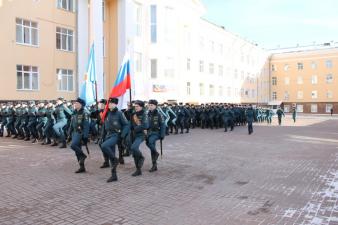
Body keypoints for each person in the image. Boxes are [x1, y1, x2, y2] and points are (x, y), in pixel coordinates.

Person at [100, 97, 129, 182]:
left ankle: (115, 159)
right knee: (111, 155)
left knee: (104, 146)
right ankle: (114, 175)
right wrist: (102, 136)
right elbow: (104, 127)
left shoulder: (119, 113)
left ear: (116, 104)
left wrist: (122, 135)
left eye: (112, 103)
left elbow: (126, 125)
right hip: (108, 135)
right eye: (109, 103)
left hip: (116, 135)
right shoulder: (107, 113)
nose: (109, 105)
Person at [69, 98, 90, 173]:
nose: (75, 104)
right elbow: (71, 124)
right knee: (77, 151)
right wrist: (69, 134)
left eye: (77, 103)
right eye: (75, 103)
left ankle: (83, 156)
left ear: (81, 105)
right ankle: (82, 167)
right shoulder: (74, 112)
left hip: (80, 133)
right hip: (74, 133)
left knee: (73, 145)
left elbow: (86, 125)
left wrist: (85, 136)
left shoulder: (84, 113)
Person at [130, 100, 149, 176]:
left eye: (137, 106)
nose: (136, 108)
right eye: (135, 106)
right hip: (133, 135)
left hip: (141, 134)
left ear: (141, 107)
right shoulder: (133, 114)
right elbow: (131, 124)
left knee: (134, 147)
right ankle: (138, 169)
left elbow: (145, 126)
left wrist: (135, 129)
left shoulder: (145, 114)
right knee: (134, 153)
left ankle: (141, 157)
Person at [146, 99, 165, 172]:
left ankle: (156, 156)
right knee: (149, 145)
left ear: (155, 106)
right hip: (149, 132)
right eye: (149, 105)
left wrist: (162, 135)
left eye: (151, 105)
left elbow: (163, 125)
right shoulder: (147, 114)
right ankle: (154, 165)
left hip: (156, 132)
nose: (150, 106)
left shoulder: (159, 114)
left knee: (150, 142)